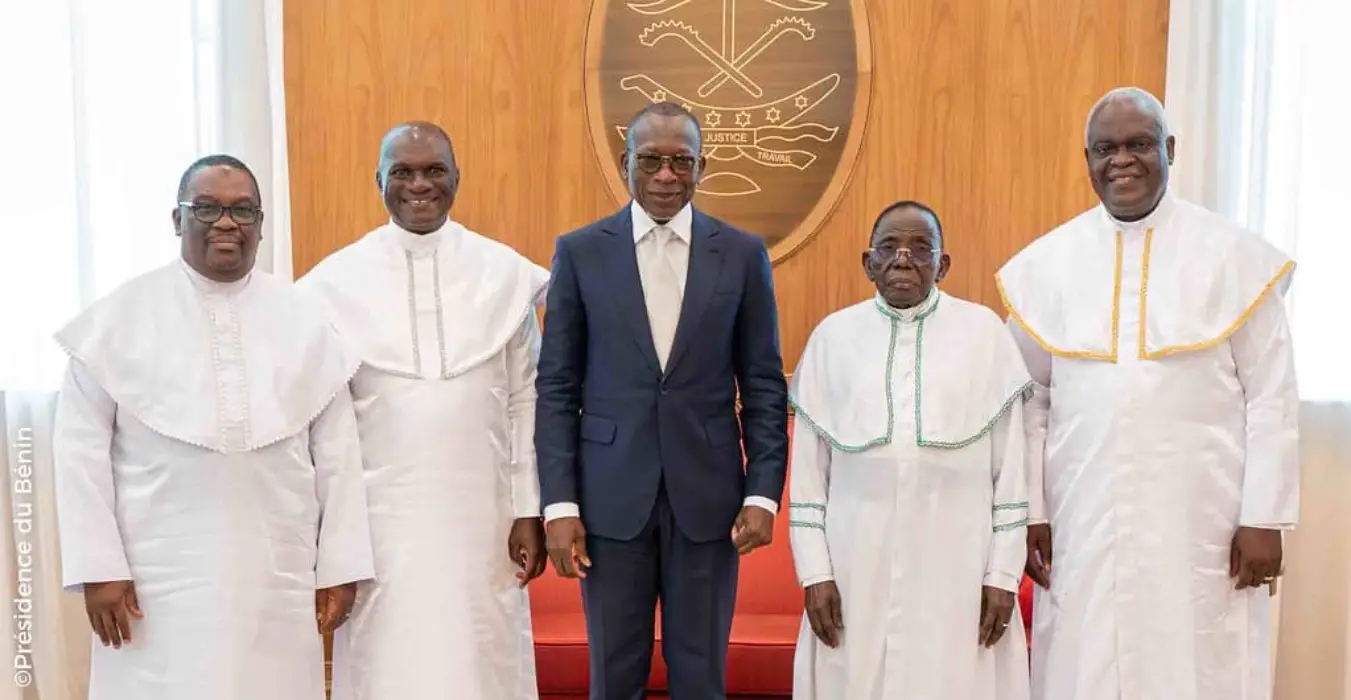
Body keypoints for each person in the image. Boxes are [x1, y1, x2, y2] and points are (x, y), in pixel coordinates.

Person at [997, 87, 1299, 700]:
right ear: (1087, 160)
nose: (1123, 161)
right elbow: (1026, 403)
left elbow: (1271, 396)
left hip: (1203, 520)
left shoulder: (1233, 257)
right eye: (1106, 149)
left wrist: (1264, 516)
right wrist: (1032, 510)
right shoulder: (1046, 266)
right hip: (1082, 515)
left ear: (1170, 150)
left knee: (1199, 656)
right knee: (1085, 656)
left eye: (1139, 145)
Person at [51, 154, 375, 700]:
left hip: (275, 571)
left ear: (261, 224)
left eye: (243, 210)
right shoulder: (119, 319)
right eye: (207, 208)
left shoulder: (306, 320)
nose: (227, 222)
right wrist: (98, 567)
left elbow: (339, 456)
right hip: (157, 575)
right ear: (178, 220)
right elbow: (78, 453)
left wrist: (340, 565)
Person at [535, 101, 789, 699]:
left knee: (700, 676)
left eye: (682, 161)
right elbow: (557, 388)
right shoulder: (580, 252)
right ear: (626, 163)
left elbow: (762, 383)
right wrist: (559, 506)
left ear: (703, 165)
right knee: (615, 676)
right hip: (608, 503)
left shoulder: (743, 254)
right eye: (651, 161)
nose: (666, 175)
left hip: (709, 501)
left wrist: (763, 492)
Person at [296, 121, 551, 700]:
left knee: (482, 656)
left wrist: (527, 508)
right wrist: (331, 540)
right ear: (378, 180)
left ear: (457, 178)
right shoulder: (333, 285)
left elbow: (524, 400)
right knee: (391, 663)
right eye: (403, 172)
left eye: (434, 170)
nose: (419, 184)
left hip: (483, 518)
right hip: (381, 520)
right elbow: (323, 431)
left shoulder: (503, 273)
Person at [788, 201, 1032, 700]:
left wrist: (1004, 575)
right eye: (889, 248)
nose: (904, 259)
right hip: (857, 561)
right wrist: (815, 573)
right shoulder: (833, 338)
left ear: (942, 265)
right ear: (868, 263)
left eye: (921, 248)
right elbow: (809, 482)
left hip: (957, 563)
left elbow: (1011, 477)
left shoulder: (985, 334)